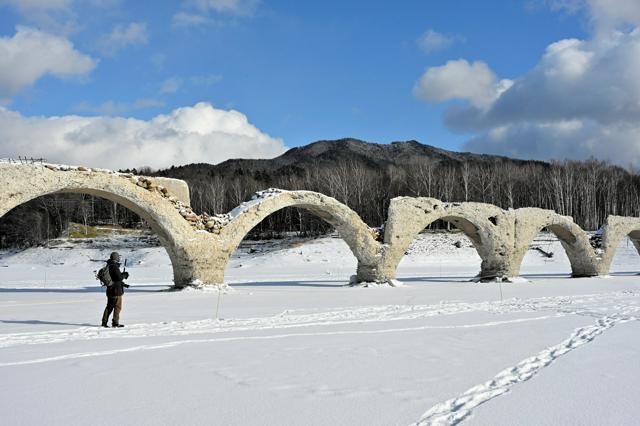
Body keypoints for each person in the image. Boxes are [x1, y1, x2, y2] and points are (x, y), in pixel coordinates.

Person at [101, 251, 130, 328]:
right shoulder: (114, 266)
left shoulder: (109, 265)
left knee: (109, 307)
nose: (119, 258)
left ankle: (104, 322)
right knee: (117, 307)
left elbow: (114, 279)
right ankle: (115, 323)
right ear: (116, 257)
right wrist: (125, 274)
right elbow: (119, 278)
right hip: (116, 291)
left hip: (110, 290)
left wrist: (123, 284)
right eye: (118, 257)